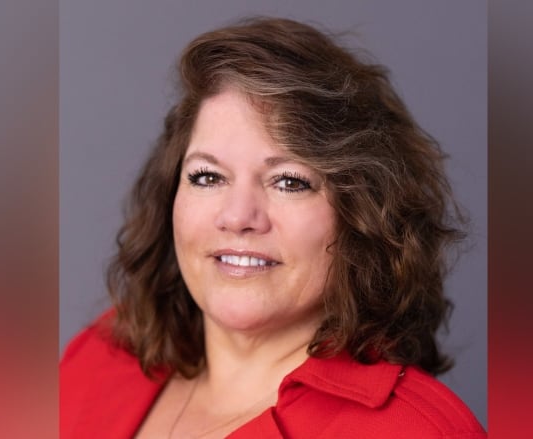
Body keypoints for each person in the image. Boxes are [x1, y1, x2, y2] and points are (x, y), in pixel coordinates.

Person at [60, 17, 486, 439]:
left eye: (289, 182)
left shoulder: (413, 431)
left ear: (362, 215)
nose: (238, 216)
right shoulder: (101, 356)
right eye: (208, 177)